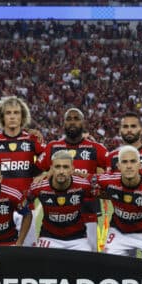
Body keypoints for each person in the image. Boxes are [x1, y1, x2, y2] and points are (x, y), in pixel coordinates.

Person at [37, 107, 109, 251]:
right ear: (63, 123)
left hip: (87, 212)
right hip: (57, 213)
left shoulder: (96, 148)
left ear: (83, 123)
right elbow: (36, 170)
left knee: (88, 260)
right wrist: (44, 176)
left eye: (76, 119)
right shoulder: (53, 147)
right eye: (69, 119)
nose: (72, 122)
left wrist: (91, 178)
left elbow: (112, 174)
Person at [0, 95, 44, 246]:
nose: (12, 117)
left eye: (16, 113)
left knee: (27, 253)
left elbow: (49, 159)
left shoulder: (32, 139)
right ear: (2, 117)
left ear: (22, 116)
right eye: (8, 113)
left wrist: (42, 174)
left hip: (26, 208)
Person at [28, 150, 93, 251]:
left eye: (65, 167)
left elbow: (105, 192)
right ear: (51, 169)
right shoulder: (38, 187)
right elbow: (22, 204)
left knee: (85, 265)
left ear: (72, 169)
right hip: (49, 237)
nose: (61, 171)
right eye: (57, 167)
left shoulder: (84, 185)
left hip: (78, 238)